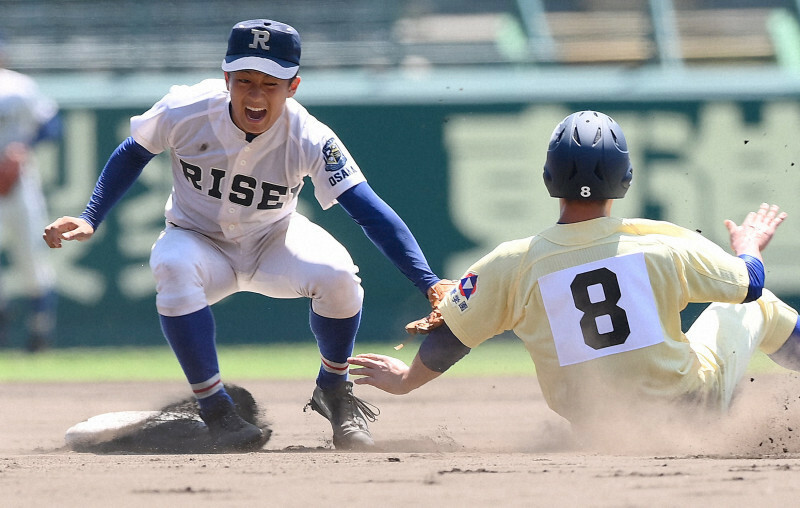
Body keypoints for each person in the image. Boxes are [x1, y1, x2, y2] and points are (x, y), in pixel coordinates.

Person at [43, 19, 449, 452]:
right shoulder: (186, 108)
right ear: (227, 78)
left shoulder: (310, 137)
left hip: (275, 239)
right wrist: (91, 216)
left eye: (270, 84)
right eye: (245, 81)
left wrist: (427, 281)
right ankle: (216, 409)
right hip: (197, 238)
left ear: (292, 87)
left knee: (339, 276)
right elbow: (133, 151)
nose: (256, 94)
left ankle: (333, 390)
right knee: (172, 265)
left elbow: (370, 212)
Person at [348, 110, 800, 442]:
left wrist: (407, 380)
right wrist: (749, 247)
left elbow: (450, 339)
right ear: (625, 179)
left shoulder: (513, 263)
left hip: (602, 429)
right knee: (760, 305)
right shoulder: (659, 244)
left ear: (549, 179)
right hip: (691, 409)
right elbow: (749, 284)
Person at [0, 35, 60, 352]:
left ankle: (40, 335)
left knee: (32, 258)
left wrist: (24, 148)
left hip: (19, 182)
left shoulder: (19, 86)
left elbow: (52, 125)